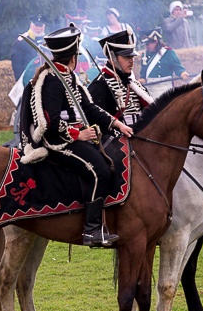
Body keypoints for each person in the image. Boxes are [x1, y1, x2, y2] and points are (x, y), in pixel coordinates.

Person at [18, 24, 134, 247]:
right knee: (98, 170)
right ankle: (91, 230)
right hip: (57, 142)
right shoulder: (51, 80)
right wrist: (78, 135)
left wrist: (116, 123)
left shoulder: (68, 77)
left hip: (76, 136)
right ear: (72, 57)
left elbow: (89, 108)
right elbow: (50, 121)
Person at [87, 27, 154, 127]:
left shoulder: (134, 83)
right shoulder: (100, 85)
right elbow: (95, 122)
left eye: (131, 57)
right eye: (126, 57)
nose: (131, 61)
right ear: (113, 58)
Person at [137, 29, 190, 98]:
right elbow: (144, 71)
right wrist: (142, 79)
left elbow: (177, 67)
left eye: (148, 44)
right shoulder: (145, 55)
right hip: (150, 88)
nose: (146, 47)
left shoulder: (168, 53)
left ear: (155, 42)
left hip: (165, 88)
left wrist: (182, 73)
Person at [11, 14, 47, 81]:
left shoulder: (47, 40)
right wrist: (21, 81)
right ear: (31, 25)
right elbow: (17, 64)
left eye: (41, 26)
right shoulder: (22, 41)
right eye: (36, 25)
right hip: (28, 79)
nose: (38, 28)